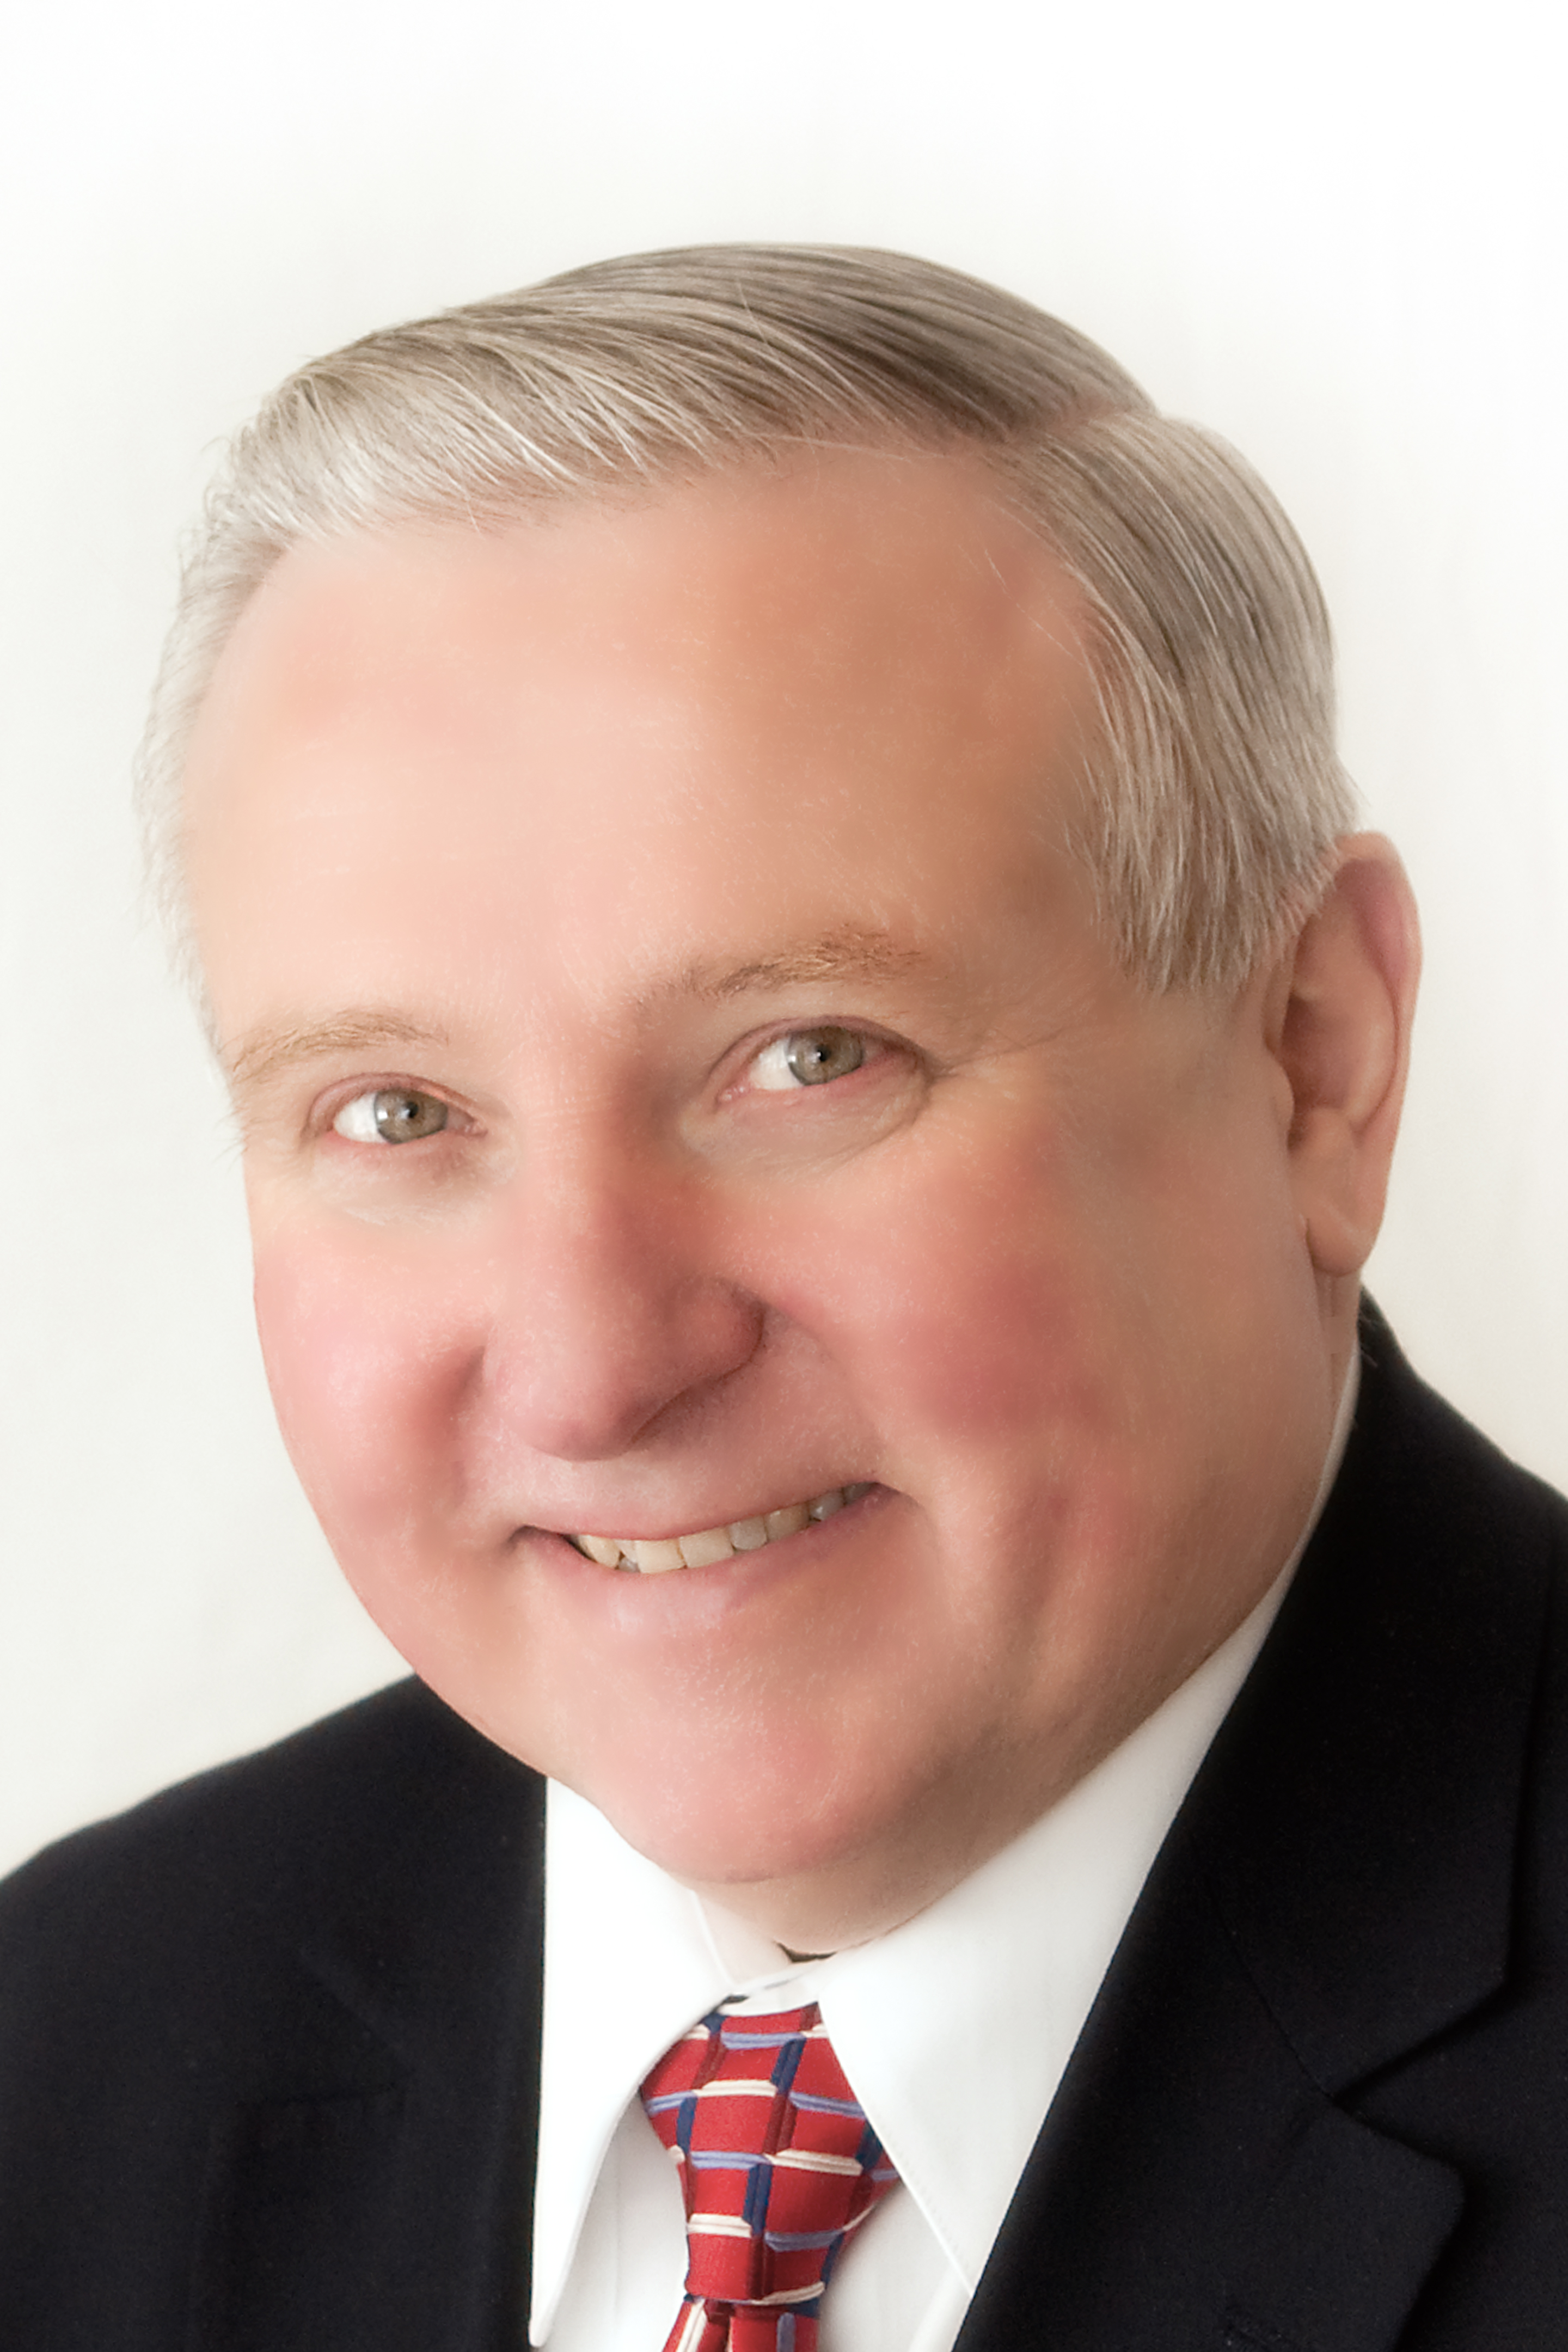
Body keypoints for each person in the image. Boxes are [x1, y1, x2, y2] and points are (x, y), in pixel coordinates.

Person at [0, 245, 1563, 2352]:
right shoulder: (66, 2060)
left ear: (1314, 1058)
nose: (593, 1370)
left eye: (812, 1058)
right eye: (398, 1112)